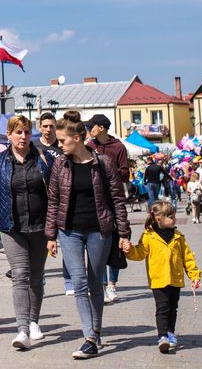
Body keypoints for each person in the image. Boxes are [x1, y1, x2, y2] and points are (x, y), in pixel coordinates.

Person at [46, 113, 131, 360]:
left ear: (77, 138)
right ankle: (90, 337)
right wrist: (51, 234)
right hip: (69, 231)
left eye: (63, 140)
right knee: (79, 283)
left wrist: (124, 233)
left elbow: (117, 199)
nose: (59, 145)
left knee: (95, 283)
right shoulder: (60, 165)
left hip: (99, 230)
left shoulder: (102, 163)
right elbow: (53, 201)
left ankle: (95, 331)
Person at [0, 116, 55, 351]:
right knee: (21, 275)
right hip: (11, 228)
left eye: (26, 132)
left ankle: (34, 320)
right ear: (9, 135)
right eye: (18, 132)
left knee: (36, 276)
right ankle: (22, 329)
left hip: (40, 226)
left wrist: (54, 229)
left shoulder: (43, 159)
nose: (22, 137)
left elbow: (54, 196)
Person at [124, 199, 202, 353]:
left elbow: (188, 258)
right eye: (170, 217)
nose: (174, 219)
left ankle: (171, 333)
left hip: (175, 279)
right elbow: (140, 253)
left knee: (173, 308)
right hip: (158, 279)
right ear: (159, 219)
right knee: (162, 308)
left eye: (174, 216)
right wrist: (129, 251)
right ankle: (162, 336)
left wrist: (194, 275)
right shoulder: (148, 235)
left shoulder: (178, 236)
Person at [85, 113, 128, 304]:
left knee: (114, 242)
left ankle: (112, 283)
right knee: (99, 244)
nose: (89, 129)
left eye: (91, 126)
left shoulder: (118, 147)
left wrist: (107, 171)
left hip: (112, 198)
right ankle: (101, 286)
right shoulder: (89, 145)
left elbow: (125, 173)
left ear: (101, 127)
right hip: (94, 200)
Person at [37, 112, 73, 295]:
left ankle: (69, 281)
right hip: (41, 201)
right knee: (41, 242)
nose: (48, 129)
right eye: (45, 126)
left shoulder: (62, 146)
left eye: (51, 126)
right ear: (40, 127)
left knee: (66, 241)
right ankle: (39, 275)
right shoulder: (34, 147)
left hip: (62, 200)